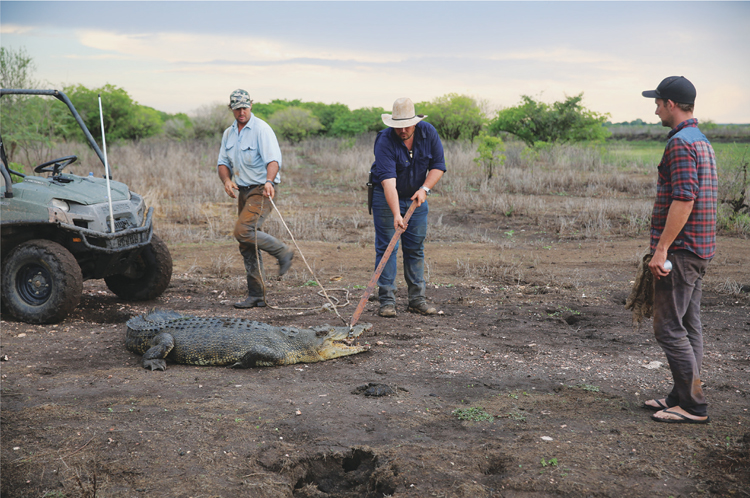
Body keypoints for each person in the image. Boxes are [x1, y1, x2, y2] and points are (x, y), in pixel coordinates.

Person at [641, 76, 717, 424]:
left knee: (668, 328)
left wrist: (661, 250)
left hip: (682, 252)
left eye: (658, 102)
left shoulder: (680, 144)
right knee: (688, 325)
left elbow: (684, 200)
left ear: (671, 104)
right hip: (699, 249)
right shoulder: (701, 141)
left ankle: (693, 406)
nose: (655, 108)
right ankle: (681, 394)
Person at [370, 98, 446, 317]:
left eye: (407, 125)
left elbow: (438, 166)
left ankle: (417, 300)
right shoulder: (384, 140)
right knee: (387, 248)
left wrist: (424, 189)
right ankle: (387, 302)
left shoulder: (428, 132)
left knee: (415, 247)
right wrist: (396, 213)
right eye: (398, 126)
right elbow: (388, 181)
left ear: (415, 122)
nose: (402, 130)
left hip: (417, 198)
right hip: (386, 197)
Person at [217, 89, 294, 309]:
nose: (241, 112)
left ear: (251, 105)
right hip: (243, 190)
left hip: (262, 189)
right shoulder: (228, 133)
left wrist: (269, 181)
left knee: (243, 231)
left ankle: (283, 251)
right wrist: (226, 180)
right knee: (246, 242)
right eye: (237, 108)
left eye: (244, 107)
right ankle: (256, 295)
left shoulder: (262, 129)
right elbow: (222, 162)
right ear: (231, 109)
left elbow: (273, 160)